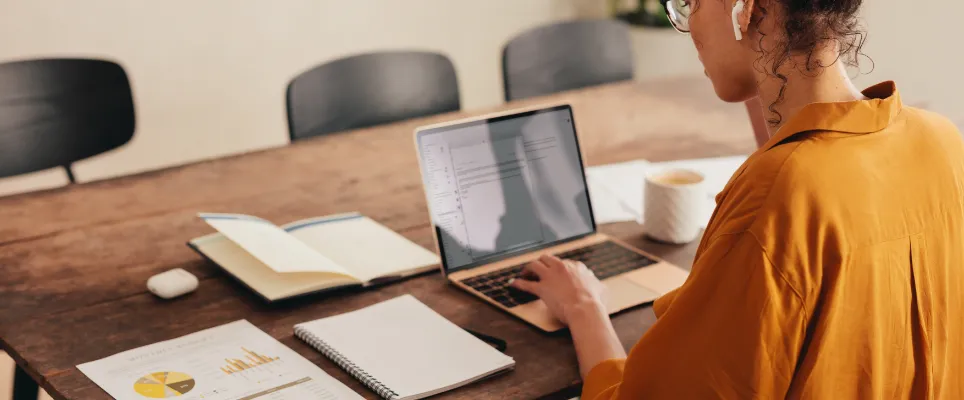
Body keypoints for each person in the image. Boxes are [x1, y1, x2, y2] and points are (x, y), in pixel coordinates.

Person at [510, 0, 964, 398]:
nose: (689, 28)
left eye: (691, 2)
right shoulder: (942, 140)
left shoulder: (780, 193)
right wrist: (762, 83)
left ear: (745, 8)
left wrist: (584, 307)